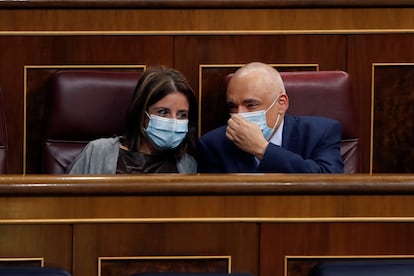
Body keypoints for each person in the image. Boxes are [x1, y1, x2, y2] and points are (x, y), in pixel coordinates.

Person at [197, 62, 344, 173]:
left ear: (281, 104)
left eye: (251, 105)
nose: (240, 115)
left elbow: (329, 181)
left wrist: (262, 149)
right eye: (233, 107)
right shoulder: (213, 145)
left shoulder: (320, 132)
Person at [67, 65, 198, 174]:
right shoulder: (98, 152)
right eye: (163, 112)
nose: (173, 122)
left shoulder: (187, 165)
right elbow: (66, 202)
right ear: (142, 113)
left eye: (182, 115)